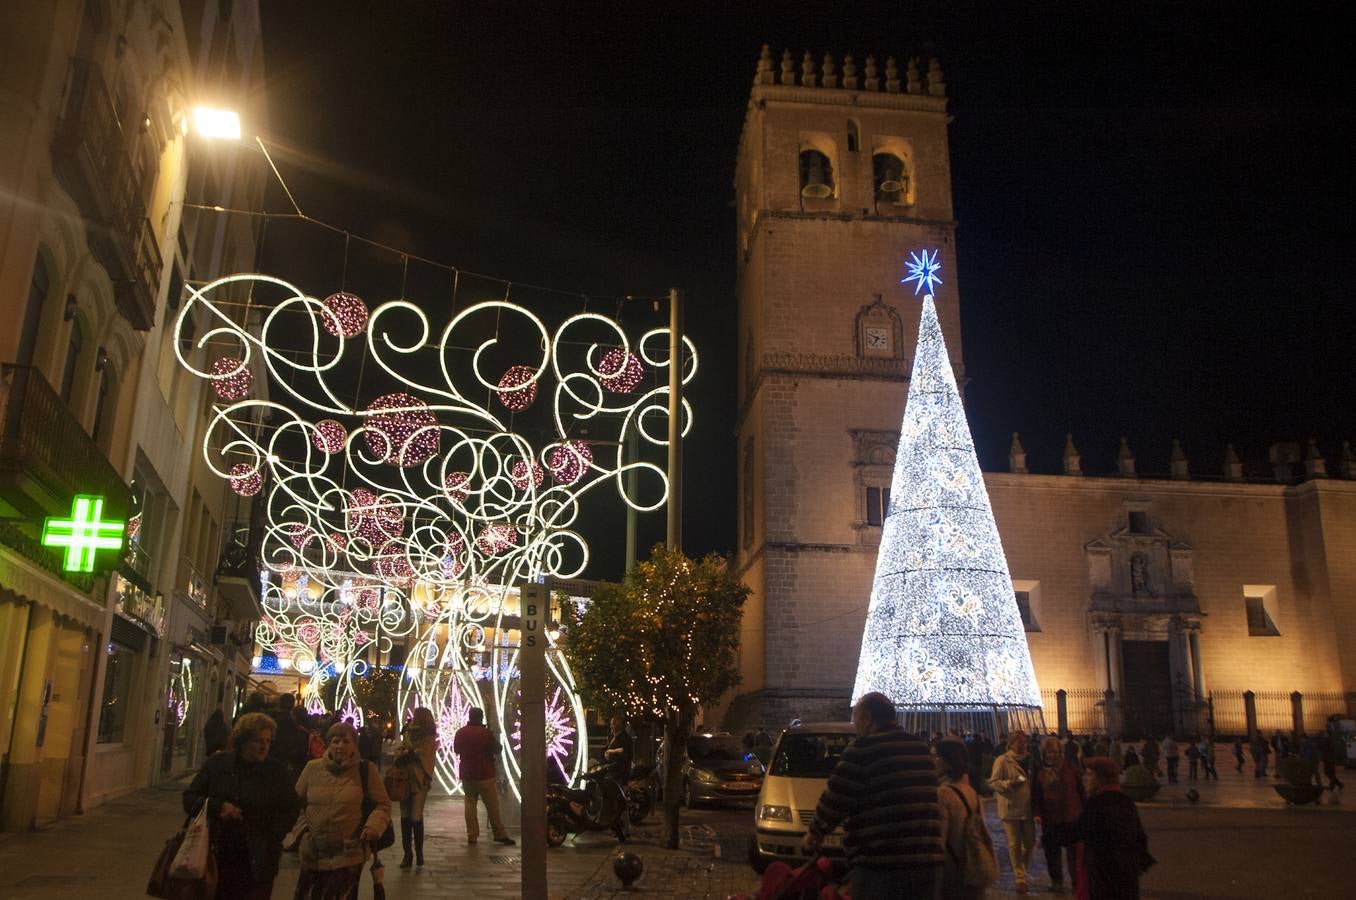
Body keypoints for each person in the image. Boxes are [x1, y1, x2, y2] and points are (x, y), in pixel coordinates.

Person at [801, 692, 943, 899]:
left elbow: (836, 799)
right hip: (927, 862)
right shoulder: (921, 748)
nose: (855, 724)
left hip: (881, 863)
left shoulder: (862, 749)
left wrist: (814, 834)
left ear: (867, 718)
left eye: (856, 717)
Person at [183, 711, 299, 900]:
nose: (264, 747)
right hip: (217, 855)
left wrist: (273, 836)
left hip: (259, 860)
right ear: (243, 740)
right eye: (258, 740)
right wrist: (218, 806)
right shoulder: (218, 764)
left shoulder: (276, 772)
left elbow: (291, 807)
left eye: (268, 741)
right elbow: (190, 798)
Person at [294, 721, 391, 899]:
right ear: (327, 743)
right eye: (335, 741)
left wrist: (373, 827)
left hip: (349, 853)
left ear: (354, 744)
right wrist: (303, 833)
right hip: (314, 852)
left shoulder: (365, 770)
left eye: (346, 741)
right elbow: (294, 805)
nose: (340, 746)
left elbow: (383, 804)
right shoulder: (312, 768)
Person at [1068, 757, 1152, 900]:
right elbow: (1140, 836)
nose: (1085, 778)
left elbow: (1077, 831)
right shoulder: (1125, 800)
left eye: (1089, 774)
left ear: (1100, 778)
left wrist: (1048, 837)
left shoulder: (1096, 803)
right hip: (1126, 874)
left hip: (1104, 876)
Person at [453, 707, 515, 846]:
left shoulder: (461, 732)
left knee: (470, 804)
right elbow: (497, 749)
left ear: (469, 717)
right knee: (492, 805)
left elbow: (456, 749)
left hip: (467, 774)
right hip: (485, 773)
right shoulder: (485, 733)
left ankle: (472, 835)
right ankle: (499, 833)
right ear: (481, 718)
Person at [937, 738, 989, 899]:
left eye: (936, 756)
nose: (933, 760)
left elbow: (940, 841)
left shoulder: (943, 794)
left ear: (946, 762)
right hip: (971, 867)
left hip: (951, 873)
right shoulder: (970, 791)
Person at [1032, 735, 1084, 894]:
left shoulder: (1071, 768)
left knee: (1073, 853)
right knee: (1052, 852)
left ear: (1060, 752)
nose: (1051, 755)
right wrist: (1036, 813)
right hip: (1050, 817)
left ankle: (1076, 882)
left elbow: (1080, 789)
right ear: (1044, 753)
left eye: (1054, 752)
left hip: (1071, 815)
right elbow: (1036, 794)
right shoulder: (1040, 771)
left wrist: (1085, 810)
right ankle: (1057, 881)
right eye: (1048, 752)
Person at [990, 731, 1036, 893]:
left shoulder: (1031, 760)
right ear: (1011, 744)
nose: (1023, 745)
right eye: (1019, 742)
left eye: (1024, 742)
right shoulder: (1002, 761)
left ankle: (1021, 867)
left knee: (1030, 842)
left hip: (1029, 807)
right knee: (1014, 843)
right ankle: (1020, 876)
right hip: (1010, 808)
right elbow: (994, 782)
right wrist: (1010, 783)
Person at [396, 706, 440, 866]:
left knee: (414, 815)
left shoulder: (429, 739)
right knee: (405, 815)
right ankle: (408, 853)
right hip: (404, 779)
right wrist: (404, 751)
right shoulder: (407, 733)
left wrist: (410, 751)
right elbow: (400, 750)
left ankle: (417, 853)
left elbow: (424, 756)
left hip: (418, 780)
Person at [269, 693, 310, 782]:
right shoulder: (298, 727)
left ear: (279, 704)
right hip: (288, 766)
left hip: (271, 762)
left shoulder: (270, 721)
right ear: (292, 705)